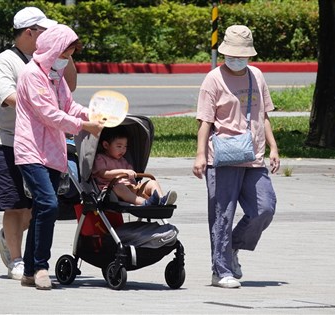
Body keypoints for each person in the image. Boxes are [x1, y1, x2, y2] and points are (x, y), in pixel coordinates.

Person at [0, 7, 78, 281]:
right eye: (45, 31)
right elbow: (10, 97)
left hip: (44, 143)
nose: (49, 35)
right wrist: (44, 109)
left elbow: (70, 88)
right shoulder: (6, 61)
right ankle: (17, 260)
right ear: (30, 32)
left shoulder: (50, 61)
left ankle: (10, 240)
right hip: (8, 140)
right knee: (15, 204)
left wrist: (65, 52)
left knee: (37, 207)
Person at [14, 24, 104, 290]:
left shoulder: (57, 75)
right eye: (66, 52)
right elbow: (48, 114)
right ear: (53, 48)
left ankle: (30, 271)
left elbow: (68, 106)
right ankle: (42, 267)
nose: (68, 57)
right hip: (30, 150)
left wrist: (91, 114)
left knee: (42, 209)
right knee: (50, 205)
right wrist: (83, 126)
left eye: (72, 53)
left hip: (53, 152)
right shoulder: (32, 74)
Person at [192, 25, 280, 289]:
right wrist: (199, 156)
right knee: (222, 215)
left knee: (265, 208)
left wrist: (274, 147)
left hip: (254, 156)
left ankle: (232, 248)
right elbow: (205, 122)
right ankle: (220, 271)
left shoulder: (257, 76)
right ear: (224, 53)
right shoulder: (213, 79)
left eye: (242, 55)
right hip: (222, 157)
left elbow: (263, 115)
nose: (237, 59)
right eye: (232, 54)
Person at [92, 126, 177, 206]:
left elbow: (132, 175)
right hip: (113, 190)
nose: (123, 150)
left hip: (132, 188)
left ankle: (161, 200)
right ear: (106, 145)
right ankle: (144, 202)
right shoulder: (100, 158)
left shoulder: (123, 160)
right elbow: (103, 173)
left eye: (125, 146)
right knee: (120, 188)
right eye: (119, 146)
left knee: (152, 182)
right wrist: (123, 172)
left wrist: (131, 174)